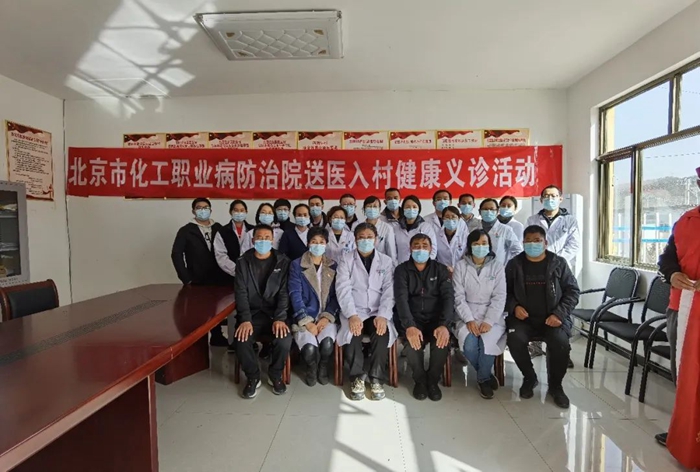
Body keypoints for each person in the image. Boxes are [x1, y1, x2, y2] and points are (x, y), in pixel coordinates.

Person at [505, 225, 580, 409]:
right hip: (523, 319)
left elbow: (572, 292)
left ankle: (556, 386)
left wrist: (559, 314)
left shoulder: (558, 263)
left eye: (537, 241)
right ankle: (530, 377)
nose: (533, 244)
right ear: (523, 243)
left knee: (560, 343)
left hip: (552, 318)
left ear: (545, 242)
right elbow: (503, 292)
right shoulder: (514, 264)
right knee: (514, 340)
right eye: (528, 241)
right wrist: (514, 307)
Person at [655, 173, 700, 469]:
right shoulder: (686, 220)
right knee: (683, 372)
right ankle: (683, 432)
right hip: (681, 307)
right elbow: (666, 257)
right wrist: (672, 274)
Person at [336, 223, 397, 401]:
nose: (365, 240)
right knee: (353, 334)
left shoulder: (386, 261)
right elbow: (343, 289)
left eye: (369, 237)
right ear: (355, 240)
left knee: (381, 332)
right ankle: (357, 378)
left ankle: (376, 379)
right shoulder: (346, 259)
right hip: (354, 310)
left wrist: (383, 315)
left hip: (377, 311)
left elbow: (389, 291)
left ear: (376, 239)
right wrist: (352, 315)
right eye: (361, 237)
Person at [233, 224, 293, 398]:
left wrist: (280, 318)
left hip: (274, 315)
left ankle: (275, 374)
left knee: (284, 339)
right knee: (241, 339)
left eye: (267, 238)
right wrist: (245, 319)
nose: (263, 241)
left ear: (273, 240)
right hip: (251, 315)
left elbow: (284, 293)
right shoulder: (242, 262)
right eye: (259, 238)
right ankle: (253, 376)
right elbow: (241, 293)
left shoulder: (283, 262)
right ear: (253, 240)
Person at [395, 234, 453, 401]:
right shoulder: (402, 270)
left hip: (437, 320)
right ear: (410, 249)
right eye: (416, 246)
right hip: (413, 320)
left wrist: (444, 325)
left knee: (441, 343)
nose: (420, 249)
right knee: (413, 344)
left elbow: (448, 298)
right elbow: (401, 299)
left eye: (424, 246)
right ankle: (420, 380)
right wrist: (409, 326)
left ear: (431, 249)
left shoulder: (440, 270)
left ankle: (433, 381)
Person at [453, 229, 506, 399]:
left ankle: (482, 379)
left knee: (487, 343)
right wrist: (468, 320)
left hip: (492, 315)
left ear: (489, 246)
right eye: (476, 244)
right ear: (470, 246)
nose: (480, 247)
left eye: (484, 243)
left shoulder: (497, 266)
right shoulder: (460, 266)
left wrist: (489, 320)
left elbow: (500, 296)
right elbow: (458, 296)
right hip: (466, 313)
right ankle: (486, 374)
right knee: (469, 345)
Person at [171, 197, 227, 346]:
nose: (203, 210)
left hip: (218, 277)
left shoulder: (219, 228)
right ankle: (199, 340)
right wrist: (186, 278)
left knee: (217, 309)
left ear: (210, 210)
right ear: (193, 211)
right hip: (196, 279)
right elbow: (176, 254)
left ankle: (217, 336)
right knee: (197, 311)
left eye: (205, 207)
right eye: (199, 208)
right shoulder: (186, 231)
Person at [289, 227, 340, 386]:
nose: (318, 245)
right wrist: (306, 321)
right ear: (308, 243)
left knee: (327, 344)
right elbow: (295, 294)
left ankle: (323, 366)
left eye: (321, 242)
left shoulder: (333, 265)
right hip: (305, 315)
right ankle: (311, 367)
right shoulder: (297, 265)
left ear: (326, 244)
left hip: (325, 316)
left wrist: (326, 317)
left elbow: (336, 296)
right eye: (314, 241)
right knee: (309, 349)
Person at [525, 185, 580, 270]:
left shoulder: (570, 220)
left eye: (553, 196)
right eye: (546, 196)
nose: (550, 199)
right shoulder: (532, 220)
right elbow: (527, 241)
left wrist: (556, 259)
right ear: (541, 200)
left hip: (560, 265)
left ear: (560, 199)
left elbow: (573, 245)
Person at [214, 200, 254, 286]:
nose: (239, 213)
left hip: (251, 275)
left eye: (242, 210)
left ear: (246, 212)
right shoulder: (222, 232)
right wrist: (237, 270)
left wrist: (248, 271)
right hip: (228, 276)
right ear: (230, 212)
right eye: (236, 210)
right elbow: (221, 256)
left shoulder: (253, 230)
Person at [478, 198, 523, 266]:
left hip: (499, 269)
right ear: (479, 211)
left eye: (492, 209)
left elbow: (517, 251)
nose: (488, 212)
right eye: (485, 209)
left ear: (497, 211)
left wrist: (509, 267)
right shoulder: (474, 229)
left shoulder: (506, 230)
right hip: (477, 268)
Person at [394, 195, 438, 264]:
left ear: (418, 209)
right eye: (407, 207)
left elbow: (433, 250)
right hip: (401, 266)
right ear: (403, 209)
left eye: (414, 207)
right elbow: (393, 251)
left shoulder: (426, 227)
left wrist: (425, 266)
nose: (411, 209)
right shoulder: (396, 228)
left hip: (422, 267)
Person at [363, 196, 398, 261]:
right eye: (369, 206)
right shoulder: (359, 228)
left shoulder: (387, 228)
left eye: (375, 206)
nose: (372, 209)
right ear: (364, 209)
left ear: (379, 209)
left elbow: (392, 253)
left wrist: (393, 265)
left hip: (382, 263)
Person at [435, 206, 469, 272]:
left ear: (459, 219)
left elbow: (468, 255)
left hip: (461, 271)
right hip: (442, 271)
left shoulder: (465, 236)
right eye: (447, 217)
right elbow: (435, 256)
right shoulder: (436, 236)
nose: (450, 219)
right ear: (443, 219)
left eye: (453, 217)